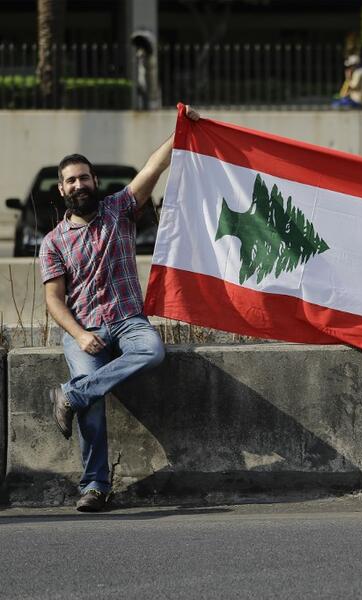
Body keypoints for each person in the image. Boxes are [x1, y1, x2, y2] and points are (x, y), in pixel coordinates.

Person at [43, 105, 201, 512]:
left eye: (84, 177)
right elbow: (54, 301)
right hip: (84, 329)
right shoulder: (54, 243)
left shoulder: (119, 210)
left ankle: (69, 395)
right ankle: (95, 486)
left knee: (152, 350)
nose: (79, 184)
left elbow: (154, 167)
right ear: (61, 190)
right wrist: (80, 335)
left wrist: (183, 128)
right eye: (70, 180)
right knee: (92, 402)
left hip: (129, 321)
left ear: (96, 181)